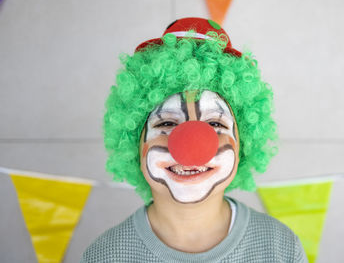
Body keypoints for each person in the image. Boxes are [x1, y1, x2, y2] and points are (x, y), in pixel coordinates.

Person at [81, 17, 308, 262]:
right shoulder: (105, 256)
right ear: (135, 145)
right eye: (166, 123)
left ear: (243, 144)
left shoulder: (281, 249)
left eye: (215, 124)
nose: (190, 145)